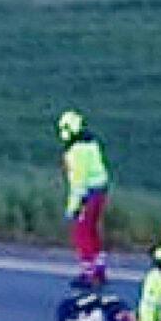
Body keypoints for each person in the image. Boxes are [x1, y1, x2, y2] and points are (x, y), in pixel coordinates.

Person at [58, 111, 111, 286]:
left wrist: (72, 208)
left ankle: (88, 273)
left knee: (81, 233)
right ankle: (99, 268)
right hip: (100, 192)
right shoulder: (91, 144)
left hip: (86, 196)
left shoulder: (76, 151)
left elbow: (78, 182)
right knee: (93, 231)